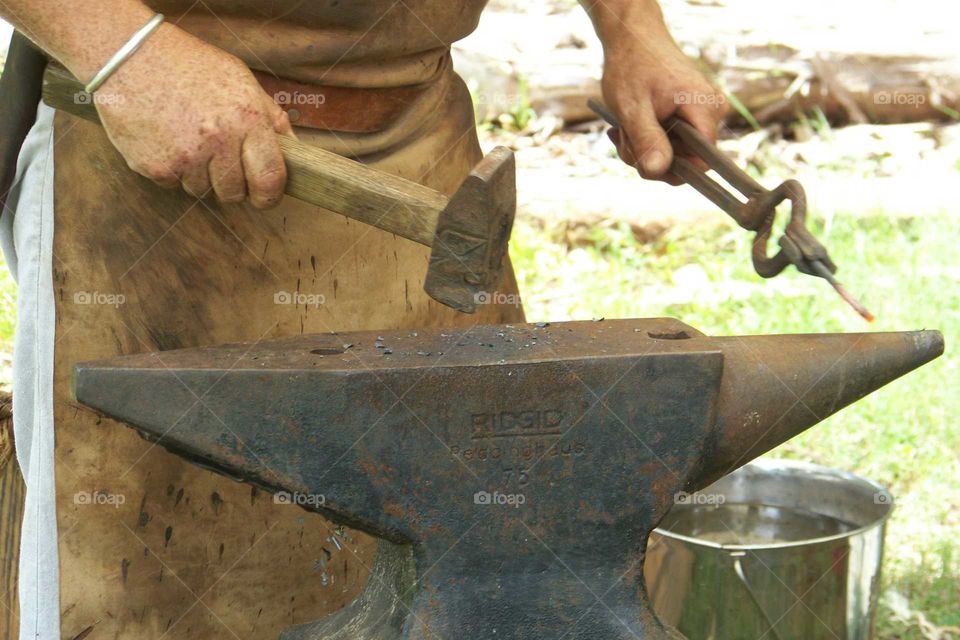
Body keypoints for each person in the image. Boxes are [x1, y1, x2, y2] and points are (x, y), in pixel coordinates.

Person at [0, 1, 726, 638]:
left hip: (422, 141)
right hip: (160, 158)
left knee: (467, 549)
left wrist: (632, 29)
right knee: (148, 585)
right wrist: (126, 53)